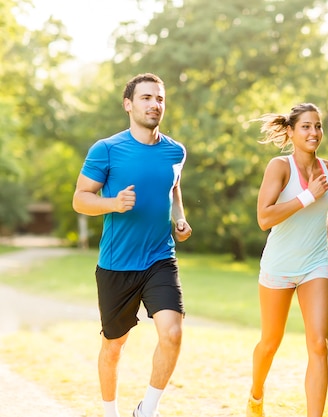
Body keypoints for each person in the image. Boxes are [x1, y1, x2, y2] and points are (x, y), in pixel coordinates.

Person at [72, 73, 192, 417]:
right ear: (128, 104)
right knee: (113, 346)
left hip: (159, 258)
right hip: (117, 264)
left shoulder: (175, 150)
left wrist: (179, 219)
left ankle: (148, 410)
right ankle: (110, 412)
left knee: (172, 333)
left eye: (160, 99)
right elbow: (81, 199)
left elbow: (174, 188)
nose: (155, 104)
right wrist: (112, 204)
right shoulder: (107, 149)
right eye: (146, 98)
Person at [247, 103, 328, 417]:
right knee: (270, 342)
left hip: (315, 263)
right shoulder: (280, 167)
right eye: (306, 126)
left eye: (318, 126)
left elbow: (324, 200)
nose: (313, 132)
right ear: (291, 131)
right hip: (279, 266)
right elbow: (264, 218)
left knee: (319, 345)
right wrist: (308, 197)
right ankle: (256, 395)